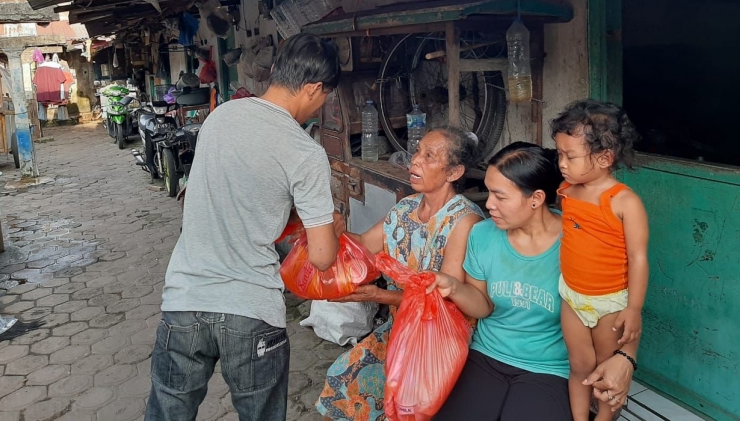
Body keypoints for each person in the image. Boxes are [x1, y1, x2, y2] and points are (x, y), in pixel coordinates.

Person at [145, 33, 344, 421]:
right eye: (325, 97)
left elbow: (237, 202)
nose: (322, 106)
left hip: (185, 299)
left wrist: (291, 217)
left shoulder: (220, 118)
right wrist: (331, 230)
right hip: (250, 311)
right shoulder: (305, 152)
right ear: (314, 88)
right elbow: (321, 259)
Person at [431, 142, 636, 421]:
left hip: (549, 368)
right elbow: (484, 307)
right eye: (489, 192)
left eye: (500, 196)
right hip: (486, 356)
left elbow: (614, 304)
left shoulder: (577, 241)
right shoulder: (482, 235)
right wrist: (454, 288)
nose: (488, 204)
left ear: (536, 198)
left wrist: (624, 358)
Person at [316, 127, 484, 421]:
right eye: (417, 151)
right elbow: (364, 248)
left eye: (429, 156)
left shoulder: (464, 220)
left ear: (454, 172)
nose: (415, 161)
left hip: (439, 339)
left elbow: (443, 302)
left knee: (407, 404)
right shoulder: (405, 208)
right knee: (342, 379)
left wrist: (379, 295)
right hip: (400, 330)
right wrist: (333, 234)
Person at [551, 100, 649, 421]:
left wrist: (633, 308)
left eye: (571, 156)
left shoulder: (623, 201)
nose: (562, 163)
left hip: (611, 303)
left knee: (608, 369)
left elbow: (638, 257)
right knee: (579, 365)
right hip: (572, 296)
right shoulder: (567, 190)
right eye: (560, 154)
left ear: (605, 158)